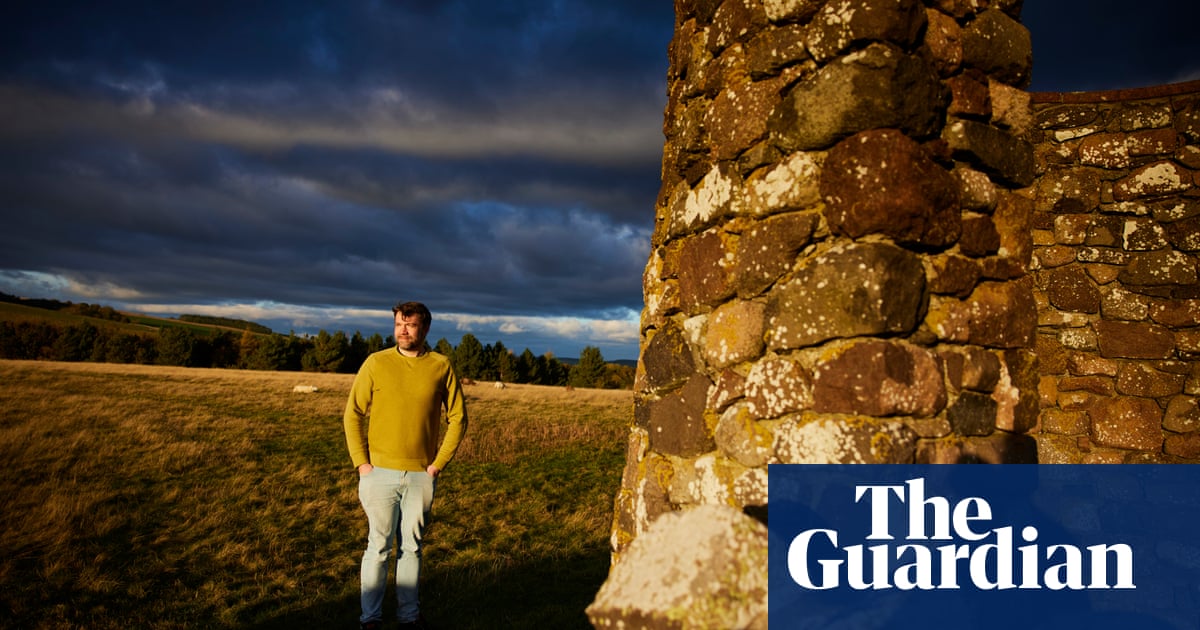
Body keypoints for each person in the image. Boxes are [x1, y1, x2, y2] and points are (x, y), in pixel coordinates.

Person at [342, 301, 468, 630]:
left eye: (411, 325)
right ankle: (370, 619)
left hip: (421, 475)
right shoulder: (376, 363)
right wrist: (362, 464)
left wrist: (437, 464)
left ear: (424, 329)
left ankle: (408, 616)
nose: (403, 330)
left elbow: (458, 418)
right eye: (399, 323)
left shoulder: (441, 366)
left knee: (412, 548)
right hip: (378, 473)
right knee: (379, 546)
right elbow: (352, 413)